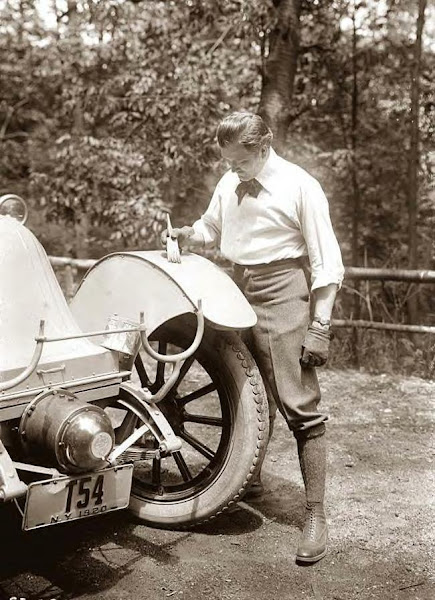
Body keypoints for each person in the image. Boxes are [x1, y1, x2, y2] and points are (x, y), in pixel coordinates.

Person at [162, 112, 344, 563]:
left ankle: (315, 516)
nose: (231, 170)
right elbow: (211, 228)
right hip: (236, 290)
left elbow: (327, 265)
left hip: (285, 293)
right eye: (226, 162)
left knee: (298, 404)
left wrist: (320, 325)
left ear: (263, 148)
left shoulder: (301, 185)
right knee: (250, 391)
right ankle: (249, 476)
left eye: (239, 161)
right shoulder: (230, 181)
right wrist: (187, 235)